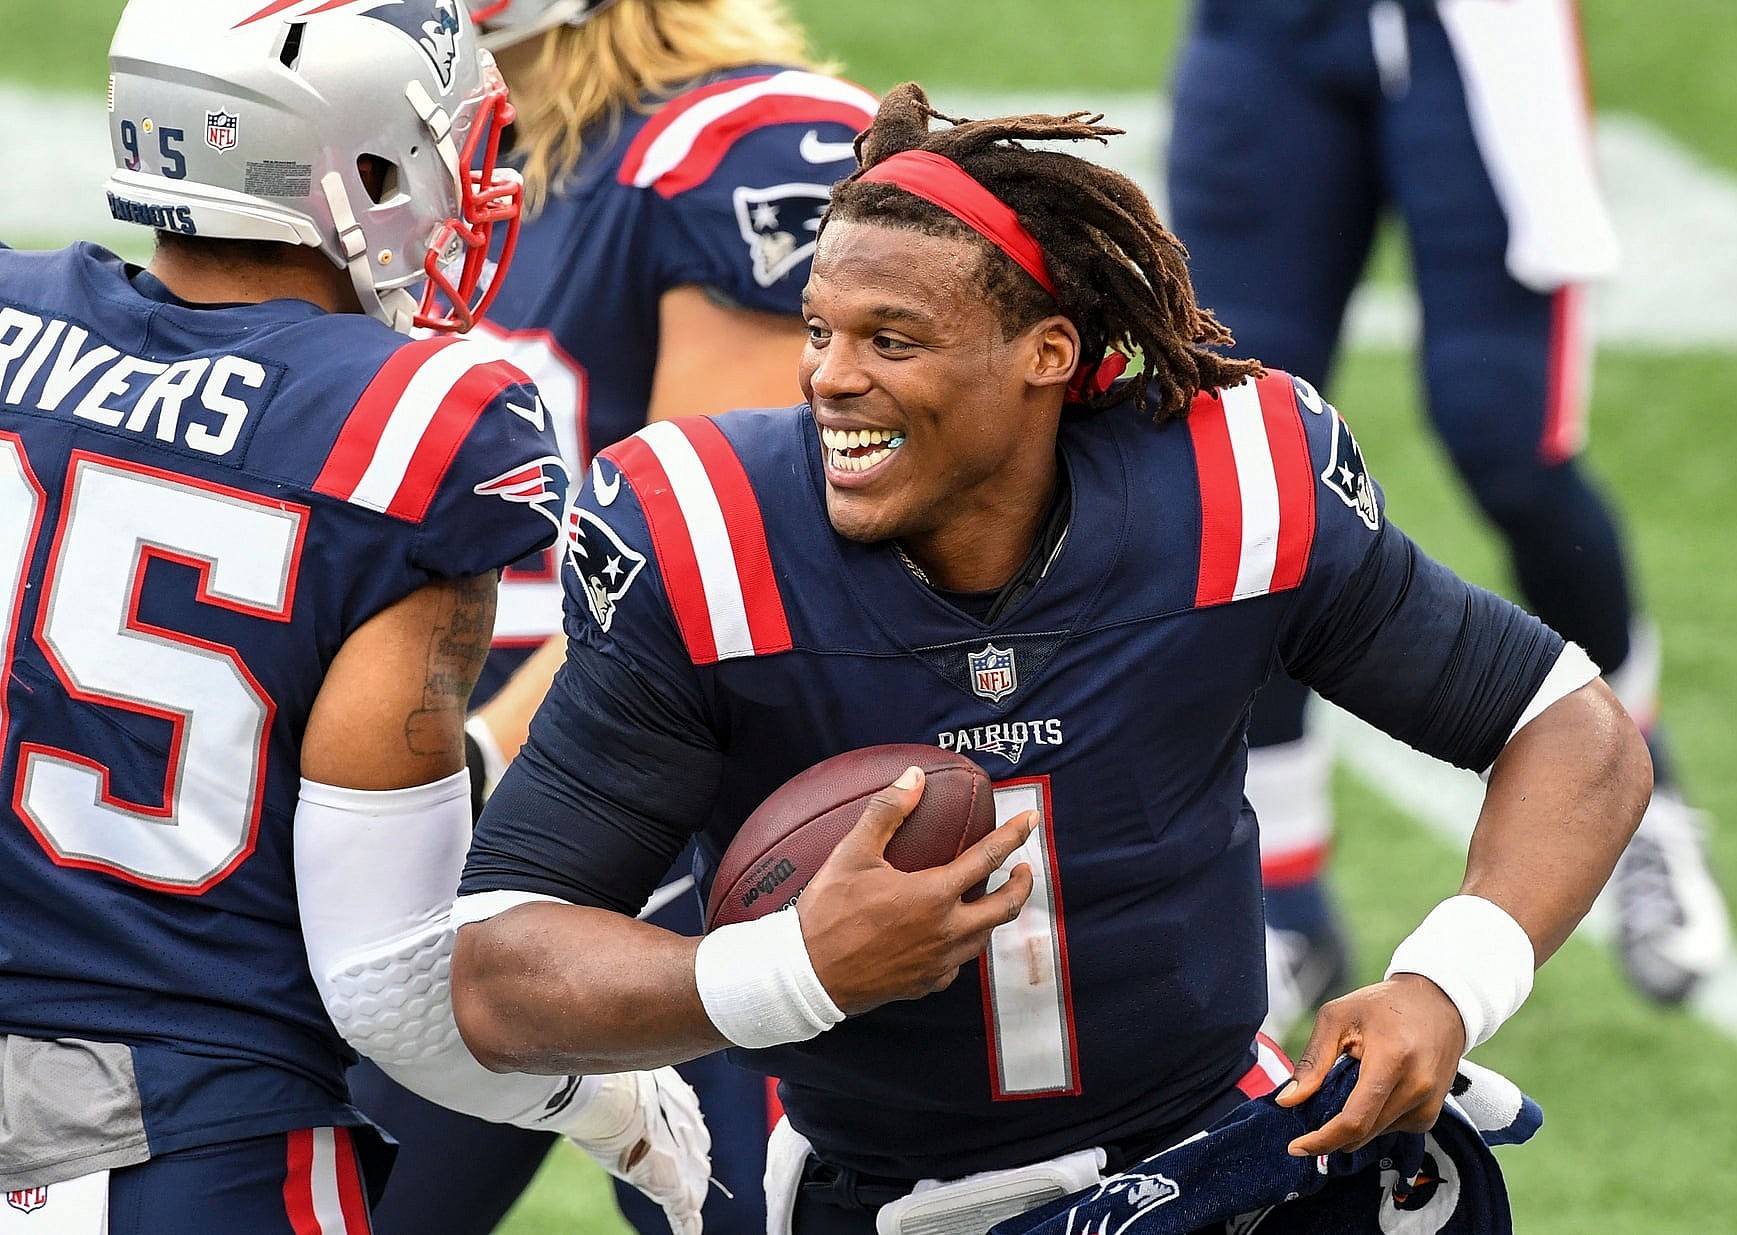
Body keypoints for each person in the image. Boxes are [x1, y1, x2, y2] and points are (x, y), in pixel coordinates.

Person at [448, 82, 1652, 1234]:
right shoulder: (707, 534)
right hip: (876, 1197)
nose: (827, 376)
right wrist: (790, 968)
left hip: (1213, 1172)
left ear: (1045, 354)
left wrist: (1445, 981)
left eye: (891, 336)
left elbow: (1568, 724)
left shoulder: (1231, 484)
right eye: (819, 329)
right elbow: (501, 964)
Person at [0, 3, 705, 1231]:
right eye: (432, 148)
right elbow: (391, 989)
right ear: (350, 166)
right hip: (189, 1139)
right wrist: (608, 1104)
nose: (464, 184)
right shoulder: (408, 430)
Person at [342, 3, 877, 1232]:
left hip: (682, 838)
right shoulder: (428, 145)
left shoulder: (743, 141)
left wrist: (472, 770)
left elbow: (714, 561)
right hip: (454, 824)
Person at [1165, 0, 1730, 1014]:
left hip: (1470, 36)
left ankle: (1639, 784)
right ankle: (1283, 900)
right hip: (1260, 34)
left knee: (1505, 440)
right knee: (1233, 441)